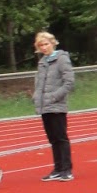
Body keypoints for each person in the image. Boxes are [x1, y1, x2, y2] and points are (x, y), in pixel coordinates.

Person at [33, 31, 75, 180]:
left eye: (46, 44)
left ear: (52, 43)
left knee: (61, 138)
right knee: (53, 139)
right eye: (41, 45)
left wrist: (54, 97)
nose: (44, 47)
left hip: (56, 106)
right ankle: (57, 169)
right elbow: (39, 83)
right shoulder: (42, 62)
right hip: (44, 106)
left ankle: (66, 170)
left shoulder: (62, 59)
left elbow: (69, 83)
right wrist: (36, 97)